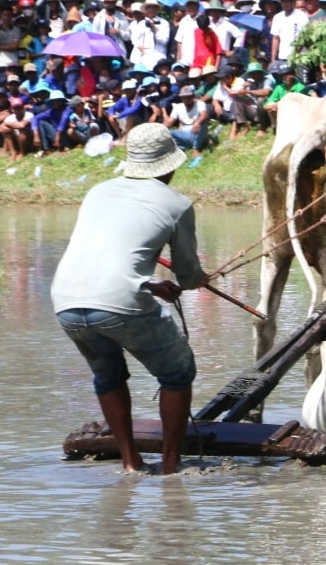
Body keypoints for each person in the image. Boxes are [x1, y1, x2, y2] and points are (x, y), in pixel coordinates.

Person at [52, 123, 207, 475]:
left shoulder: (98, 191)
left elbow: (106, 257)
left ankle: (130, 463)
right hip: (119, 302)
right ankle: (170, 466)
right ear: (170, 164)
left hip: (66, 301)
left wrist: (150, 284)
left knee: (108, 377)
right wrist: (200, 278)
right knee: (178, 372)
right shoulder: (177, 204)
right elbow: (189, 275)